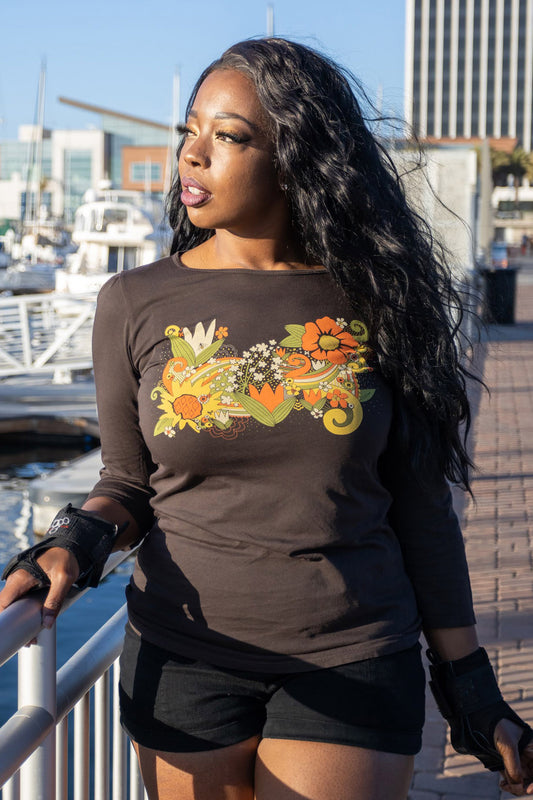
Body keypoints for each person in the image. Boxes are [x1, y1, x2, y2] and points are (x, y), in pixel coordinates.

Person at [1, 37, 533, 800]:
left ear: (296, 159)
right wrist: (73, 542)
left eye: (229, 136)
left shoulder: (376, 301)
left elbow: (421, 509)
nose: (193, 156)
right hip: (184, 654)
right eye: (190, 131)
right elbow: (128, 481)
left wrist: (469, 687)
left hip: (351, 650)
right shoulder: (134, 300)